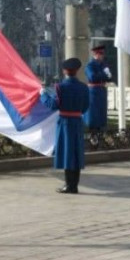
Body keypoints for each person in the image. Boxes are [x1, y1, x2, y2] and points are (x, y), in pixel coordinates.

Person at [39, 57, 90, 194]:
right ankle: (75, 185)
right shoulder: (84, 87)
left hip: (65, 122)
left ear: (64, 71)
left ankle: (69, 185)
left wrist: (43, 95)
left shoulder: (60, 87)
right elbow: (85, 107)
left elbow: (53, 105)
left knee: (68, 153)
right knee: (76, 153)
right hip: (77, 122)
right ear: (77, 71)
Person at [82, 45, 111, 135]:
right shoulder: (90, 65)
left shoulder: (103, 64)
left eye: (102, 53)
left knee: (101, 114)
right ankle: (93, 134)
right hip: (93, 92)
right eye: (101, 53)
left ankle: (100, 132)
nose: (102, 56)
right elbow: (93, 77)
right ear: (96, 54)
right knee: (93, 115)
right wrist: (103, 74)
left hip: (101, 91)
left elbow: (109, 77)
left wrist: (105, 75)